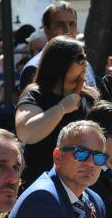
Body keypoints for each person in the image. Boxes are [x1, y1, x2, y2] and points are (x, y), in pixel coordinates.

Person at [15, 36, 97, 188]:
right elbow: (25, 132)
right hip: (41, 183)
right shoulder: (36, 94)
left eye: (85, 58)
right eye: (80, 59)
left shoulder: (89, 97)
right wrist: (62, 108)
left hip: (80, 185)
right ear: (60, 62)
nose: (85, 63)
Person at [19, 1, 97, 90]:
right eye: (60, 24)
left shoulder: (85, 64)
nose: (68, 30)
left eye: (72, 24)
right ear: (46, 29)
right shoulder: (34, 69)